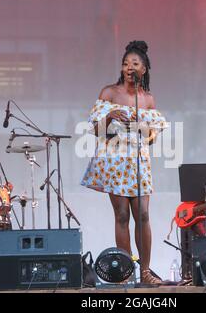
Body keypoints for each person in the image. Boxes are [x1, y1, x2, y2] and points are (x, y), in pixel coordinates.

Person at [81, 41, 167, 284]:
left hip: (138, 160)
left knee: (143, 214)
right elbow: (96, 131)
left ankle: (146, 272)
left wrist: (145, 127)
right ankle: (126, 272)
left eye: (135, 64)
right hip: (114, 159)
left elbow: (151, 139)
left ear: (144, 70)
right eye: (126, 63)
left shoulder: (147, 99)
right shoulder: (109, 92)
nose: (130, 67)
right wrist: (109, 116)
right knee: (121, 215)